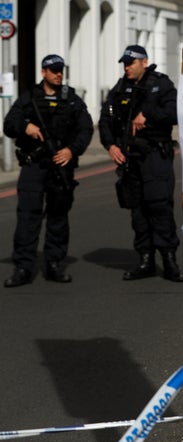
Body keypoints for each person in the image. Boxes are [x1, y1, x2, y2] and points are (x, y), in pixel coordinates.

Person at [98, 45, 183, 282]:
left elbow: (176, 111)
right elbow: (106, 118)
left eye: (131, 63)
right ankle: (145, 260)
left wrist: (148, 113)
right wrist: (110, 145)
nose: (127, 67)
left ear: (144, 62)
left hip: (155, 157)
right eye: (125, 64)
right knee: (137, 211)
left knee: (159, 207)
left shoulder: (161, 84)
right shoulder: (120, 88)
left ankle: (169, 262)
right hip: (130, 158)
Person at [3, 55, 93, 288]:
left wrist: (72, 151)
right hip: (34, 165)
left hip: (61, 166)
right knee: (28, 216)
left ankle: (54, 264)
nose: (58, 74)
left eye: (60, 70)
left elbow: (85, 129)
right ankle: (23, 267)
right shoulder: (29, 98)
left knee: (58, 217)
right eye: (53, 70)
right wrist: (26, 126)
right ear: (43, 72)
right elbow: (9, 124)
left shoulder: (71, 99)